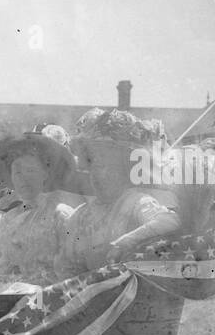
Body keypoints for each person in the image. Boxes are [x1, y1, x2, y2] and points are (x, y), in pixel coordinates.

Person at [0, 127, 79, 292]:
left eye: (30, 170)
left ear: (45, 173)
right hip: (9, 296)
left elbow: (71, 272)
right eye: (17, 172)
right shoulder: (9, 218)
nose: (23, 178)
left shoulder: (61, 213)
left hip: (46, 298)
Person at [56, 108, 181, 277]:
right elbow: (67, 266)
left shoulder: (135, 202)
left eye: (108, 167)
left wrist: (127, 241)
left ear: (124, 170)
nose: (99, 175)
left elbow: (170, 221)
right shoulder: (80, 216)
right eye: (94, 167)